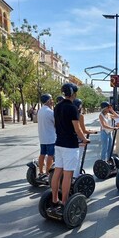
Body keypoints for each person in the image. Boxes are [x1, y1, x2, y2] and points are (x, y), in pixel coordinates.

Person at [50, 83, 89, 213]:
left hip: (59, 143)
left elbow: (56, 125)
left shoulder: (57, 107)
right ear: (73, 93)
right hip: (70, 146)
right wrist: (84, 139)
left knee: (57, 172)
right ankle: (65, 202)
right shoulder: (72, 108)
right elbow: (77, 129)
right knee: (68, 174)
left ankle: (55, 200)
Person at [73, 98, 98, 178]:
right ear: (79, 106)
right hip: (79, 139)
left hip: (69, 139)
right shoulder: (80, 116)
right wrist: (92, 132)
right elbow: (82, 130)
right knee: (78, 158)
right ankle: (76, 176)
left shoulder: (67, 113)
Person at [36, 93, 55, 181]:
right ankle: (48, 173)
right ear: (48, 100)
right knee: (50, 155)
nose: (52, 101)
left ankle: (41, 171)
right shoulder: (50, 112)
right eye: (51, 99)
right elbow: (56, 123)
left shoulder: (40, 110)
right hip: (50, 137)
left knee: (42, 154)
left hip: (42, 137)